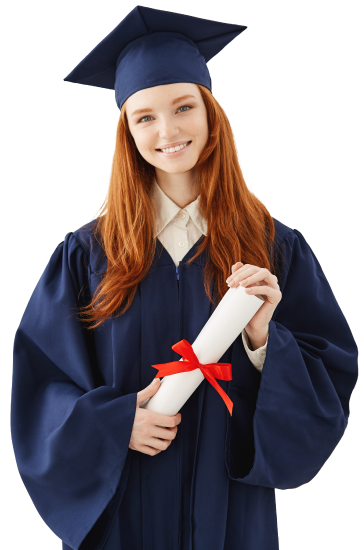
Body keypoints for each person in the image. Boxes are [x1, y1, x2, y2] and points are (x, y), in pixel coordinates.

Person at [11, 6, 358, 550]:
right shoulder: (86, 254)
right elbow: (41, 386)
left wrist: (266, 338)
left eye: (183, 107)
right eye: (144, 117)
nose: (168, 131)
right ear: (126, 133)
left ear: (211, 114)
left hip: (229, 514)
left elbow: (329, 378)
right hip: (122, 507)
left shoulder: (274, 248)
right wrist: (113, 423)